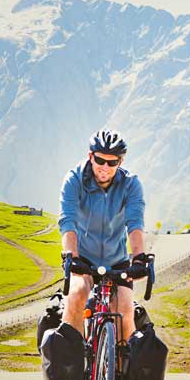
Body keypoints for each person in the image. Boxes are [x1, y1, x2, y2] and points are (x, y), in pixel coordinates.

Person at [58, 129, 150, 343]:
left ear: (121, 161)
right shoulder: (74, 180)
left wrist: (139, 258)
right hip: (84, 258)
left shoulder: (131, 184)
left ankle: (120, 374)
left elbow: (135, 223)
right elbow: (67, 221)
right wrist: (72, 256)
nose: (105, 168)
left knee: (125, 314)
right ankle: (73, 360)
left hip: (117, 261)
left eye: (112, 162)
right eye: (100, 160)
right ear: (90, 156)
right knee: (78, 294)